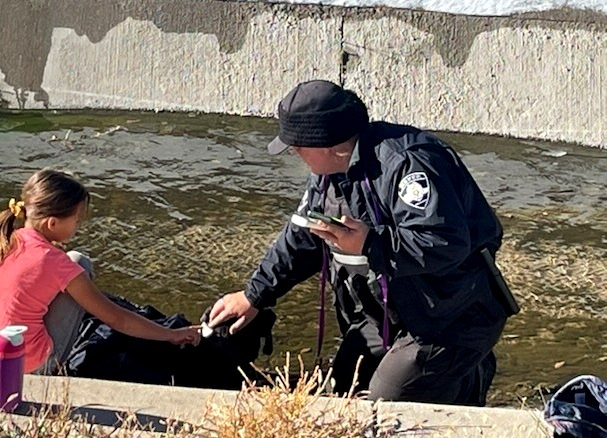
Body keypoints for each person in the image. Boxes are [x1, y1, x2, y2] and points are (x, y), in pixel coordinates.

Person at [207, 79, 517, 405]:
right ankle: (461, 377)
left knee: (389, 400)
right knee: (344, 389)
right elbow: (302, 238)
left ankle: (466, 377)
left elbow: (446, 242)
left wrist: (371, 244)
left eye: (297, 146)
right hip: (391, 311)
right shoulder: (330, 173)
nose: (294, 152)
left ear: (328, 144)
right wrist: (254, 295)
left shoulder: (405, 164)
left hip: (452, 316)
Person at [0, 168, 200, 375]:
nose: (78, 226)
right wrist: (170, 334)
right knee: (79, 262)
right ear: (52, 223)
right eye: (76, 221)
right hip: (24, 367)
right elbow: (117, 319)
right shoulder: (55, 261)